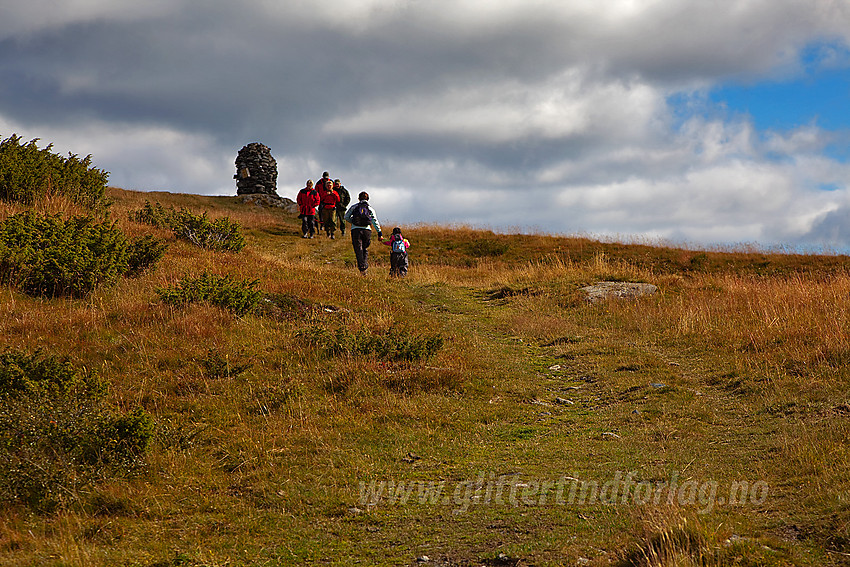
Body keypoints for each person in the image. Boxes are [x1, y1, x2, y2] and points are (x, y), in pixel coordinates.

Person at [344, 191, 383, 275]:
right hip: (367, 230)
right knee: (365, 248)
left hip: (356, 230)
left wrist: (353, 222)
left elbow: (346, 217)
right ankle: (364, 265)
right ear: (368, 199)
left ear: (359, 198)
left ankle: (362, 268)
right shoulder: (370, 209)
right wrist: (379, 232)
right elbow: (375, 221)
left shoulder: (354, 207)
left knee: (358, 249)